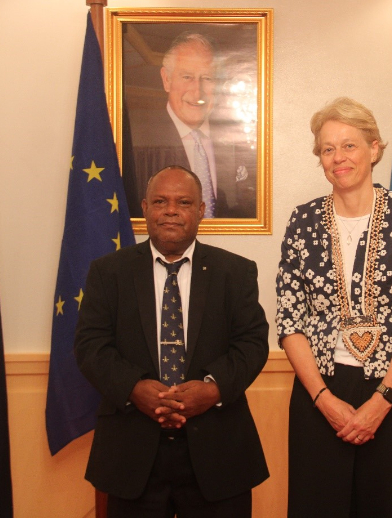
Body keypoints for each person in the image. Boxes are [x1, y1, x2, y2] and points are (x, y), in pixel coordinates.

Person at [275, 97, 392, 517]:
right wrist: (324, 399)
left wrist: (380, 402)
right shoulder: (303, 221)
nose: (338, 157)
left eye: (349, 145)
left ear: (375, 149)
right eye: (327, 149)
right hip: (320, 394)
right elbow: (290, 320)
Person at [75, 165, 269, 517]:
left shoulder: (236, 272)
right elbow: (91, 346)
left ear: (200, 211)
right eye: (161, 201)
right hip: (132, 452)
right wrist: (134, 387)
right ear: (145, 207)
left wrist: (212, 389)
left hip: (219, 452)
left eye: (183, 202)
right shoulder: (108, 272)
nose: (171, 210)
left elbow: (252, 343)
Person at [122, 32, 257, 219]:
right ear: (166, 79)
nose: (197, 91)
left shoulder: (241, 141)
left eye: (207, 78)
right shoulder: (135, 143)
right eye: (187, 77)